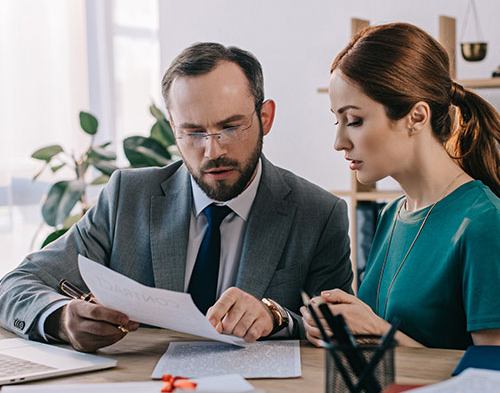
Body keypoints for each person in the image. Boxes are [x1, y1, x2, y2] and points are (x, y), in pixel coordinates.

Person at [0, 42, 353, 352]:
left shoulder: (318, 214)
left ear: (265, 117)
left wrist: (277, 317)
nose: (213, 151)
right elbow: (13, 286)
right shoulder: (128, 198)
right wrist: (60, 318)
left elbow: (341, 327)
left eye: (231, 127)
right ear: (173, 128)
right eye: (193, 132)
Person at [302, 22, 500, 350]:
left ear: (417, 117)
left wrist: (382, 335)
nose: (339, 142)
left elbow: (491, 381)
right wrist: (343, 327)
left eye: (354, 121)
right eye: (337, 121)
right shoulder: (393, 214)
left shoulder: (483, 223)